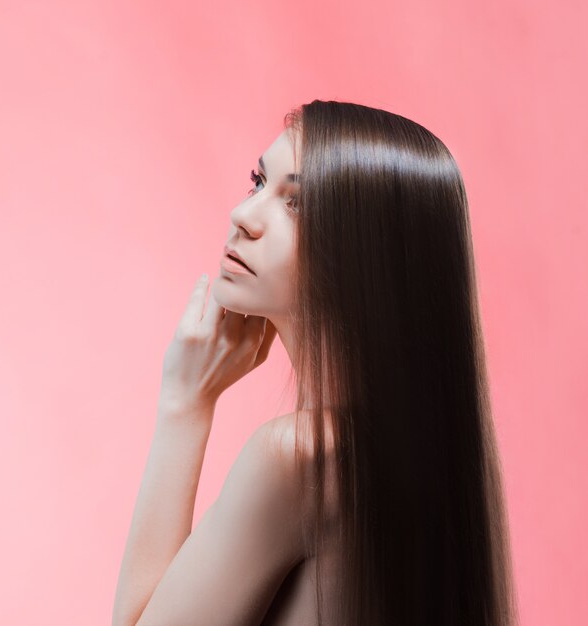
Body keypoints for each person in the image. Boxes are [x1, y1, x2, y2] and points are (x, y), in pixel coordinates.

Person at [112, 99, 519, 626]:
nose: (244, 216)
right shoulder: (436, 467)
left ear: (373, 255)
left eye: (297, 203)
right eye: (259, 182)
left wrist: (184, 403)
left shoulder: (300, 459)